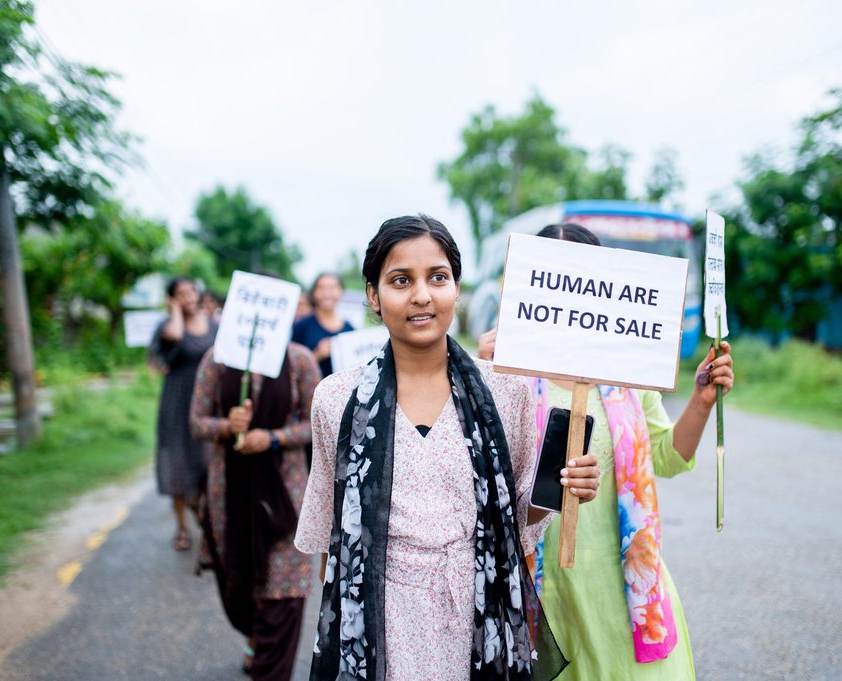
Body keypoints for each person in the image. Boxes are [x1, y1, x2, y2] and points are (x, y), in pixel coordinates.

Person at [294, 215, 602, 681]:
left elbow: (519, 517)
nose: (421, 295)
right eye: (401, 281)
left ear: (457, 289)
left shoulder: (505, 391)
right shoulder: (337, 399)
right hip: (379, 618)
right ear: (373, 296)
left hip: (478, 615)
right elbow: (331, 536)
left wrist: (561, 489)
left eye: (438, 278)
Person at [478, 223, 735, 681]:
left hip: (625, 588)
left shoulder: (631, 372)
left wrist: (700, 401)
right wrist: (484, 376)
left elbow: (667, 457)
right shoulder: (506, 371)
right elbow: (478, 479)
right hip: (542, 586)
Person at [189, 335, 321, 680]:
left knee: (285, 597)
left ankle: (269, 666)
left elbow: (318, 423)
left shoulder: (299, 361)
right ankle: (255, 638)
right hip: (230, 497)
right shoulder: (217, 360)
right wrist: (226, 426)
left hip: (285, 498)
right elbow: (197, 421)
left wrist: (273, 438)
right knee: (241, 588)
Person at [150, 276, 218, 551]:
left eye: (191, 292)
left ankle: (202, 514)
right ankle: (182, 527)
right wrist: (175, 311)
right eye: (181, 294)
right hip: (177, 403)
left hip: (207, 403)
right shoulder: (167, 326)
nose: (189, 297)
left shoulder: (213, 325)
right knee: (177, 464)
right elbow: (175, 336)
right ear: (172, 298)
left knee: (205, 463)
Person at [291, 273, 354, 378]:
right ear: (314, 293)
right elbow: (292, 366)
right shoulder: (302, 326)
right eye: (321, 288)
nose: (327, 293)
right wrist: (317, 354)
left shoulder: (350, 329)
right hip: (310, 391)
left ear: (341, 292)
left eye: (333, 287)